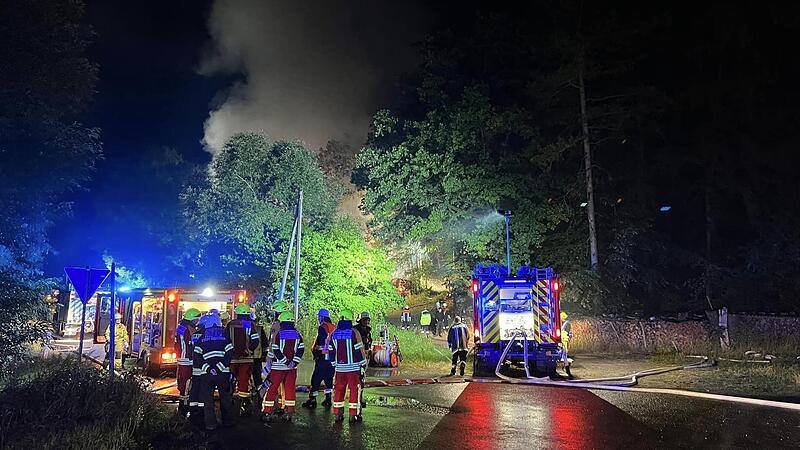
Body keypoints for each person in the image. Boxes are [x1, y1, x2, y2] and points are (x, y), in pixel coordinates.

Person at [193, 313, 234, 431]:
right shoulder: (225, 336)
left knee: (208, 400)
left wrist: (208, 369)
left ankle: (210, 424)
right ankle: (227, 422)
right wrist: (219, 368)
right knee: (225, 398)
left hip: (207, 374)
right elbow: (229, 353)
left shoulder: (202, 337)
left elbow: (197, 356)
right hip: (223, 373)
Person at [261, 311, 304, 422]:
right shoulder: (298, 334)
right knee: (290, 389)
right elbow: (301, 350)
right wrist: (293, 363)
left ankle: (267, 412)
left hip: (278, 367)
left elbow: (275, 349)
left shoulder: (279, 334)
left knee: (272, 388)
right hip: (292, 369)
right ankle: (289, 412)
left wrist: (284, 361)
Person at [328, 309, 367, 423]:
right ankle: (353, 414)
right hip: (353, 369)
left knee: (339, 390)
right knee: (354, 390)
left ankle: (337, 413)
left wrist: (334, 364)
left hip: (339, 369)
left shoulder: (334, 333)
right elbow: (358, 350)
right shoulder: (354, 333)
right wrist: (363, 364)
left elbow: (331, 350)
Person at [226, 303, 260, 416]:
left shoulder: (230, 324)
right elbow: (255, 341)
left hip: (232, 359)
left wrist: (230, 352)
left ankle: (228, 400)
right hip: (246, 359)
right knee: (244, 381)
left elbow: (225, 340)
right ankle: (244, 403)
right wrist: (249, 350)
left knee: (231, 379)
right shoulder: (250, 324)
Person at [302, 308, 336, 409]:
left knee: (316, 378)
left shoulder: (322, 327)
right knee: (328, 378)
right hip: (332, 358)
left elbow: (321, 344)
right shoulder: (334, 327)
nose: (318, 319)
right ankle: (328, 399)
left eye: (319, 317)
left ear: (321, 317)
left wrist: (316, 350)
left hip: (323, 357)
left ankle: (312, 400)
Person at [174, 308, 201, 415]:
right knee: (186, 382)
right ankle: (184, 405)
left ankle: (183, 402)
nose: (197, 322)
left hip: (182, 358)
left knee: (183, 382)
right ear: (192, 319)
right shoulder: (188, 329)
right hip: (187, 360)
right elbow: (191, 343)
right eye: (196, 320)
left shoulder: (181, 327)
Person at [353, 311, 373, 408]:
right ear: (360, 320)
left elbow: (369, 342)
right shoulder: (355, 330)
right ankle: (357, 399)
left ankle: (360, 397)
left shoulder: (368, 331)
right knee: (358, 377)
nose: (366, 322)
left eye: (367, 320)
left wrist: (369, 350)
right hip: (357, 357)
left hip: (365, 356)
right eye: (364, 320)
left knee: (362, 377)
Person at [250, 311, 269, 402]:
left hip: (246, 357)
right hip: (257, 357)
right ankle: (259, 394)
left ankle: (251, 392)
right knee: (257, 376)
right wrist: (264, 355)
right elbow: (265, 343)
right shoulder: (259, 329)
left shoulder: (241, 327)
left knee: (247, 376)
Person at [560, 311, 573, 375]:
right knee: (564, 354)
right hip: (564, 340)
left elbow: (567, 332)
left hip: (564, 339)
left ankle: (566, 368)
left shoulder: (567, 323)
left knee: (564, 353)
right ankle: (566, 369)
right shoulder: (566, 323)